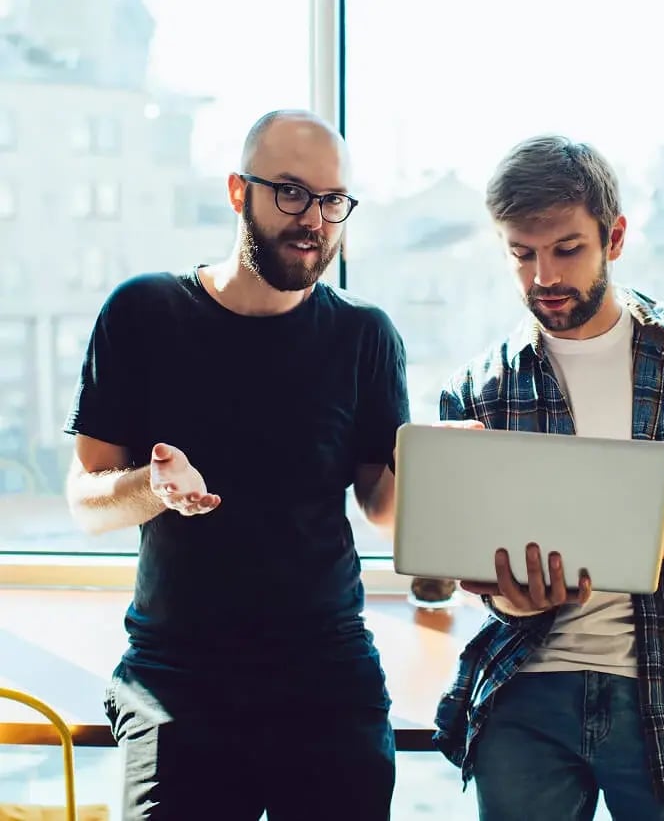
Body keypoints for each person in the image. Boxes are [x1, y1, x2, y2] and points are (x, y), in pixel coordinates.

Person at [64, 109, 409, 820]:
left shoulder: (363, 335)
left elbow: (382, 504)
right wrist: (151, 487)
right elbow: (84, 498)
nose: (313, 218)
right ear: (235, 191)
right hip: (176, 670)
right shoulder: (143, 312)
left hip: (325, 669)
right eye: (289, 191)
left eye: (331, 200)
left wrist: (437, 465)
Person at [430, 135, 664, 820]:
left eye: (565, 249)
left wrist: (660, 534)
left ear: (613, 238)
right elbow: (459, 567)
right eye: (520, 254)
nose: (541, 278)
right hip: (523, 693)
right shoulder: (479, 388)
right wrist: (511, 600)